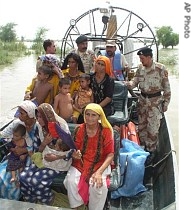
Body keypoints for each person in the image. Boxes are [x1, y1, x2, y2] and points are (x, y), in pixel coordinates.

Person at [19, 103, 76, 205]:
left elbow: (72, 152)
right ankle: (30, 202)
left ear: (47, 116)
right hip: (43, 159)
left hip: (59, 163)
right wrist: (44, 143)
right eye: (37, 116)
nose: (38, 119)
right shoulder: (39, 127)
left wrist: (55, 157)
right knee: (23, 176)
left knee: (36, 179)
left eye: (41, 117)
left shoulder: (61, 127)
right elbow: (37, 150)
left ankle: (47, 201)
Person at [125, 47, 171, 165]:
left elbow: (167, 88)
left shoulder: (160, 69)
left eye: (142, 58)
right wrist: (129, 84)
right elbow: (135, 80)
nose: (141, 61)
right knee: (142, 127)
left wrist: (165, 103)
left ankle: (151, 153)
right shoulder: (141, 68)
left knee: (153, 129)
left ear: (149, 57)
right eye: (140, 58)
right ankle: (142, 148)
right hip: (142, 101)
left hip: (155, 103)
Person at [64, 103, 114, 210]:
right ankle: (77, 207)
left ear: (99, 117)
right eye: (87, 114)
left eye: (93, 115)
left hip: (100, 163)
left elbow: (110, 154)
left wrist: (99, 172)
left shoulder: (106, 132)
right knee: (71, 181)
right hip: (81, 162)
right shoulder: (79, 129)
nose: (89, 118)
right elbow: (74, 149)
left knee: (98, 186)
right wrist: (75, 155)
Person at [0, 100, 40, 200]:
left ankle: (14, 200)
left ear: (30, 114)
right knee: (2, 175)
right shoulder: (18, 123)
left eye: (21, 113)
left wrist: (24, 151)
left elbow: (38, 148)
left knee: (14, 179)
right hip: (14, 156)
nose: (18, 115)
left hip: (30, 158)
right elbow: (3, 134)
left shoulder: (38, 127)